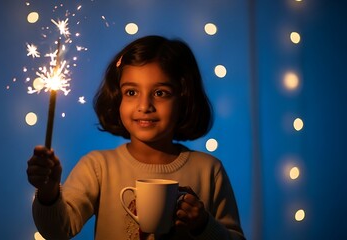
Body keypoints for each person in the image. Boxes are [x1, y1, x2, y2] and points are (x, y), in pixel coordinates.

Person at [27, 35, 245, 240]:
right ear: (117, 98)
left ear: (184, 99)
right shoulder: (98, 168)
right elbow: (58, 231)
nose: (144, 106)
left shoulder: (209, 171)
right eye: (131, 92)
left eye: (160, 93)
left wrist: (203, 224)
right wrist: (49, 191)